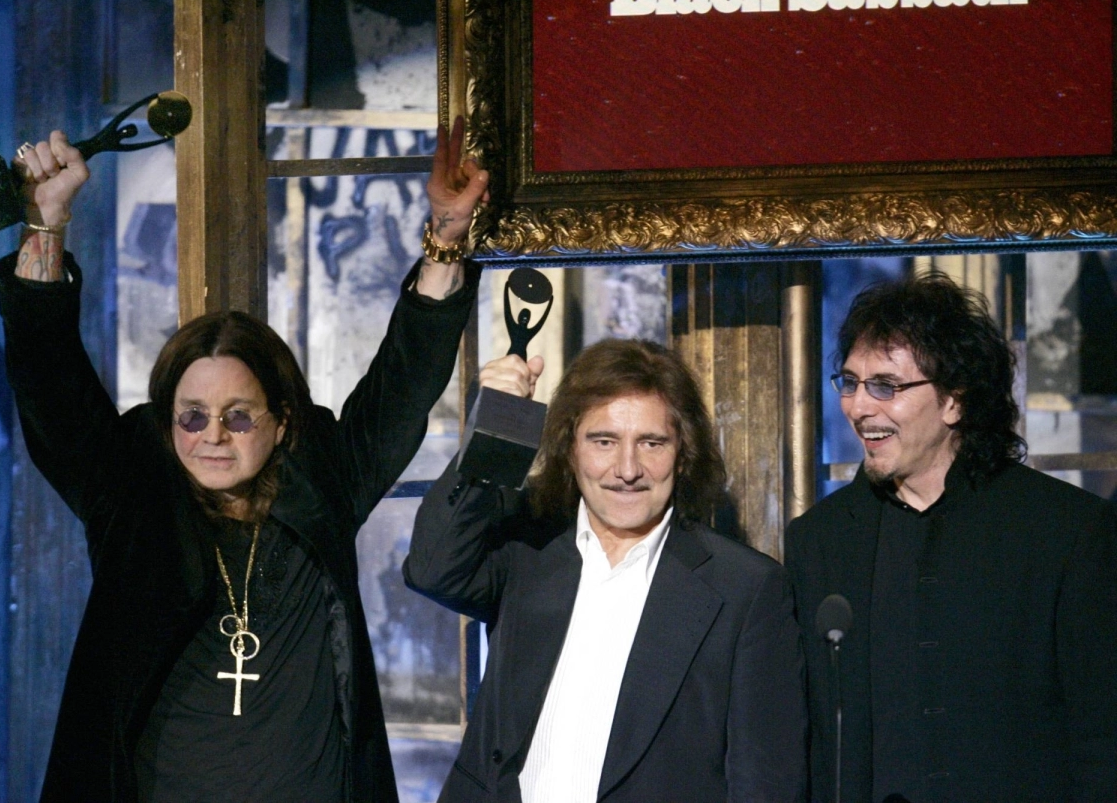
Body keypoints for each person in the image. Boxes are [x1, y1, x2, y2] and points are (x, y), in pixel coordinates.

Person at [0, 119, 488, 802]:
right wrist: (45, 225)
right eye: (191, 417)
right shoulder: (134, 490)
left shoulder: (325, 478)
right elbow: (49, 383)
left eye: (238, 416)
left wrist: (445, 240)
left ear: (283, 421)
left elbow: (403, 386)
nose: (213, 437)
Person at [405, 339, 807, 802]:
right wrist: (494, 427)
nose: (627, 469)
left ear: (683, 452)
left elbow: (767, 785)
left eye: (652, 443)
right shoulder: (527, 546)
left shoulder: (746, 589)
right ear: (570, 449)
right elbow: (432, 568)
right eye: (604, 442)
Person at [785, 272, 1117, 802]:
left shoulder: (1067, 533)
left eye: (885, 386)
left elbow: (1102, 741)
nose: (858, 407)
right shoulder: (817, 543)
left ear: (954, 402)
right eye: (850, 382)